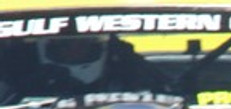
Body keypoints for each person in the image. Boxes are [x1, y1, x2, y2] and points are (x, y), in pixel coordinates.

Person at [28, 34, 168, 97]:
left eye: (82, 43)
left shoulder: (131, 70)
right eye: (66, 44)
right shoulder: (25, 79)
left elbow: (167, 93)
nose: (74, 49)